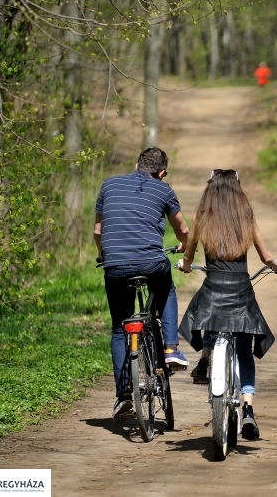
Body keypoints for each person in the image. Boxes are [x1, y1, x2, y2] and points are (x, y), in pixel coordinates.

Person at [176, 168, 277, 440]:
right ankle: (248, 408)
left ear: (209, 189)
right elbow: (266, 257)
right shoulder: (246, 217)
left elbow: (188, 257)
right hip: (240, 290)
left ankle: (205, 358)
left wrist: (185, 266)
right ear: (238, 189)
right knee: (244, 349)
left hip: (214, 287)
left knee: (203, 313)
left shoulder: (201, 216)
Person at [94, 148, 190, 420]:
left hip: (114, 267)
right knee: (167, 288)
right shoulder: (164, 190)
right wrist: (183, 245)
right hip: (151, 264)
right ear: (162, 173)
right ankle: (171, 349)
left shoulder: (109, 184)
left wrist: (105, 256)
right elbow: (182, 229)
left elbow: (98, 231)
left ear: (136, 164)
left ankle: (124, 394)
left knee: (118, 326)